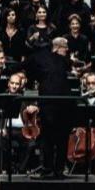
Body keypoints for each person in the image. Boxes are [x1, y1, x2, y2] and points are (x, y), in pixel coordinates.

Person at [25, 37, 73, 179]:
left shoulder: (49, 61)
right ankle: (57, 170)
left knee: (50, 139)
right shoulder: (62, 60)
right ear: (58, 48)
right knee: (57, 139)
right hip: (58, 105)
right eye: (65, 47)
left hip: (52, 105)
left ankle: (49, 170)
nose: (67, 49)